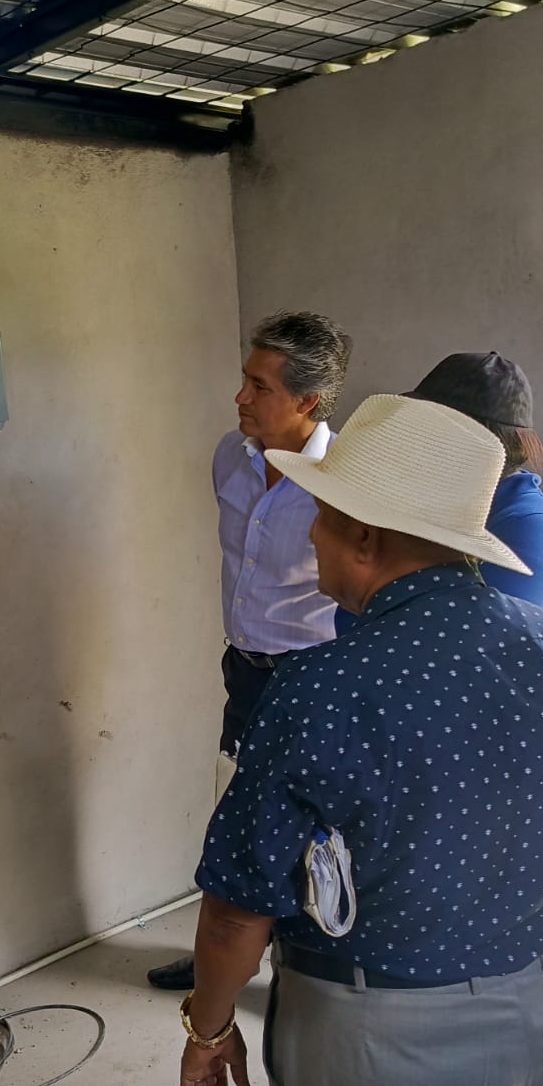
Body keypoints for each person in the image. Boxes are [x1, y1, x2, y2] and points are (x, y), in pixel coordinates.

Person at [177, 394, 543, 1086]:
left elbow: (236, 915)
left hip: (385, 1044)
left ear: (364, 537)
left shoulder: (320, 687)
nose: (312, 537)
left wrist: (207, 1028)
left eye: (320, 517)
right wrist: (518, 911)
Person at [148, 310, 353, 992]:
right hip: (245, 670)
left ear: (307, 401)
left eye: (260, 387)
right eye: (245, 379)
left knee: (313, 830)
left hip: (313, 675)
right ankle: (225, 954)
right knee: (237, 819)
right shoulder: (229, 458)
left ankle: (303, 972)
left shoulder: (343, 480)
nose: (241, 396)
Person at [336, 351, 543, 634]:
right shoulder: (434, 503)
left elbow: (456, 640)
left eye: (426, 429)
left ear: (471, 442)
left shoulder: (532, 531)